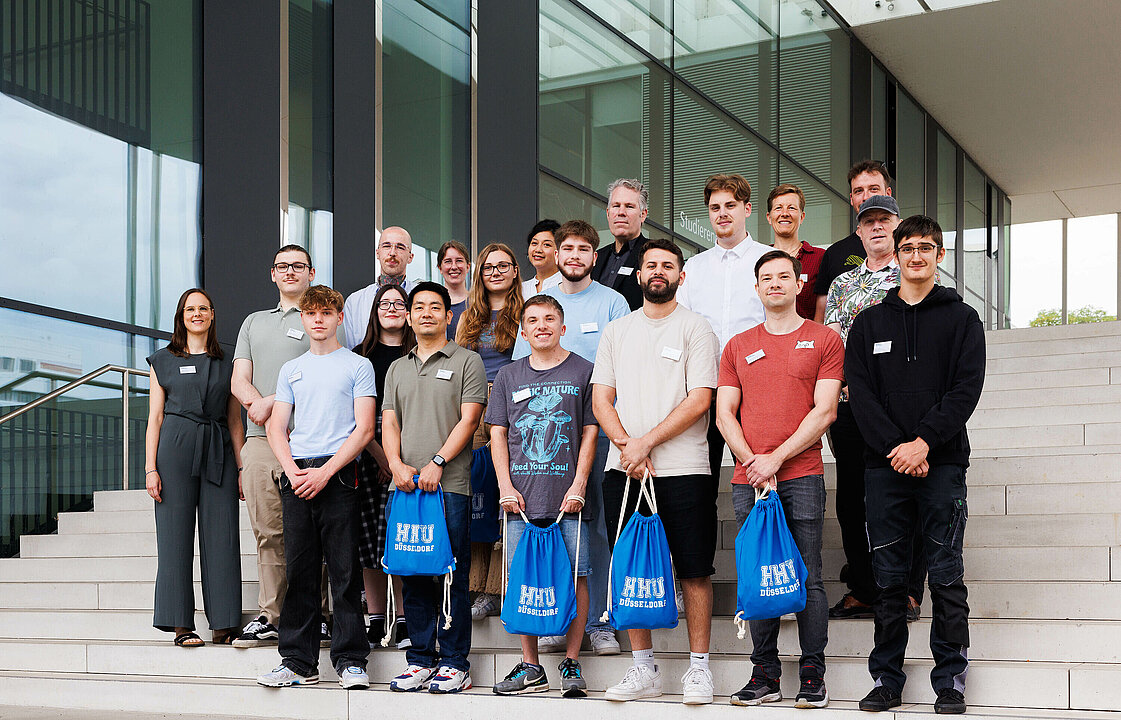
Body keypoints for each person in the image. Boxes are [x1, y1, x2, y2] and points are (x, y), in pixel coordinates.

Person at [847, 216, 984, 715]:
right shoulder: (868, 323)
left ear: (941, 255)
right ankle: (887, 679)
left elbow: (966, 389)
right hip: (884, 468)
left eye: (926, 247)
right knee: (888, 579)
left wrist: (923, 442)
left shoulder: (962, 319)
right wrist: (898, 449)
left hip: (942, 464)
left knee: (946, 574)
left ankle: (950, 680)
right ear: (896, 256)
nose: (916, 256)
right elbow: (859, 395)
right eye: (908, 248)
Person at [592, 238, 720, 706]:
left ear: (681, 277)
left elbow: (700, 398)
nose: (659, 272)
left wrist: (646, 442)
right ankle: (643, 668)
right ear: (639, 275)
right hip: (623, 469)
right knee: (631, 569)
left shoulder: (697, 328)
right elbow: (601, 399)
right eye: (651, 266)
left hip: (684, 468)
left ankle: (699, 670)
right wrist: (628, 446)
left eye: (668, 265)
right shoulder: (617, 330)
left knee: (694, 569)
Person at [715, 251, 843, 708]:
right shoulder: (736, 345)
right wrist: (752, 462)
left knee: (807, 575)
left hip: (802, 474)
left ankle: (812, 674)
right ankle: (764, 673)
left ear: (797, 283)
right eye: (766, 278)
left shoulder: (825, 339)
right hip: (749, 479)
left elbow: (825, 410)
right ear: (757, 287)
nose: (774, 284)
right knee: (756, 574)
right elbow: (724, 413)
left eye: (783, 277)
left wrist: (777, 459)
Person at [512, 219, 629, 656]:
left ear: (594, 258)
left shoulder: (614, 302)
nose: (575, 256)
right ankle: (555, 616)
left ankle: (598, 619)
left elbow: (620, 370)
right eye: (568, 249)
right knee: (547, 524)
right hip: (545, 439)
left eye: (584, 249)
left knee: (594, 524)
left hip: (597, 430)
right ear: (556, 256)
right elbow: (523, 373)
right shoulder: (538, 303)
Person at [257, 285, 375, 690]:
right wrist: (292, 471)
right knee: (300, 571)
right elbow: (275, 427)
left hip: (339, 473)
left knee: (344, 571)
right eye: (311, 313)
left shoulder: (358, 365)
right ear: (303, 319)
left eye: (327, 312)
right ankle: (298, 662)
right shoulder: (291, 369)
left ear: (340, 318)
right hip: (297, 474)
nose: (319, 319)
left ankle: (351, 661)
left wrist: (326, 472)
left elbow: (364, 430)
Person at [488, 295, 597, 697]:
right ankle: (531, 665)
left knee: (576, 575)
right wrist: (504, 485)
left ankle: (571, 661)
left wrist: (579, 484)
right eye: (532, 320)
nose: (541, 325)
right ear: (523, 330)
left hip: (568, 497)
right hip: (519, 498)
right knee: (521, 578)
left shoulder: (584, 371)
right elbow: (498, 433)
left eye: (550, 318)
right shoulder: (508, 376)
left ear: (562, 327)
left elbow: (589, 432)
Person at [824, 195, 926, 623]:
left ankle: (906, 591)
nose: (877, 227)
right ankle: (864, 589)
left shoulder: (912, 277)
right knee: (851, 500)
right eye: (869, 222)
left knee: (905, 497)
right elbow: (831, 344)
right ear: (860, 231)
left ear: (897, 226)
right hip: (850, 407)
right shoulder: (842, 285)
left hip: (899, 410)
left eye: (885, 220)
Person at [383, 282, 487, 693]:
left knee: (450, 573)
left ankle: (455, 662)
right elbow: (389, 422)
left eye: (436, 307)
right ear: (408, 317)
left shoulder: (467, 361)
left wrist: (437, 463)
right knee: (412, 573)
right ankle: (420, 660)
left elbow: (469, 420)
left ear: (450, 315)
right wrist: (395, 465)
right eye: (419, 307)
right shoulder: (396, 367)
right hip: (405, 488)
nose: (427, 313)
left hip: (450, 486)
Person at [231, 245, 334, 648]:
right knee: (268, 533)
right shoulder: (254, 322)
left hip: (308, 440)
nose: (290, 272)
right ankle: (272, 615)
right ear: (272, 274)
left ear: (311, 271)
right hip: (259, 443)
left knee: (313, 534)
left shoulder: (321, 317)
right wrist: (255, 404)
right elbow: (239, 379)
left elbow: (321, 367)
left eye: (298, 266)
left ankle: (320, 615)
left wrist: (268, 402)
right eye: (282, 266)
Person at [144, 288, 243, 647]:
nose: (197, 314)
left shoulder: (230, 359)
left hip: (218, 447)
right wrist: (149, 468)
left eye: (203, 308)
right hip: (174, 447)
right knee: (174, 538)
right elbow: (155, 417)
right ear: (181, 316)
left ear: (213, 314)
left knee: (223, 536)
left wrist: (243, 465)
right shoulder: (162, 360)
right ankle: (180, 625)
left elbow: (235, 420)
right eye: (190, 309)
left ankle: (225, 623)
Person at [678, 173, 770, 485]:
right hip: (705, 388)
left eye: (730, 204)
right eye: (715, 207)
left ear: (747, 209)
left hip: (756, 385)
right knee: (701, 482)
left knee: (758, 476)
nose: (722, 213)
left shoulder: (768, 261)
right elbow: (682, 328)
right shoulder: (694, 267)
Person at [457, 243, 524, 620]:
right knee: (480, 491)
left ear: (515, 271)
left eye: (503, 266)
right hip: (474, 405)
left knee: (507, 490)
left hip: (514, 400)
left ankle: (500, 588)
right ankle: (475, 586)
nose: (495, 272)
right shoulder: (469, 316)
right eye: (488, 267)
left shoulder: (526, 310)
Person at [355, 283, 417, 648]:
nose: (392, 308)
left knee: (400, 540)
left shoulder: (418, 353)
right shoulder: (360, 356)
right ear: (374, 311)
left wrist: (397, 461)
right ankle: (377, 619)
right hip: (366, 455)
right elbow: (359, 418)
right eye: (385, 303)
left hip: (410, 454)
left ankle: (406, 619)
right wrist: (383, 459)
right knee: (370, 544)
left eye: (399, 303)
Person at [813, 161, 894, 324]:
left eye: (874, 189)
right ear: (851, 198)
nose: (866, 197)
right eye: (859, 191)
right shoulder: (834, 253)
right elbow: (821, 320)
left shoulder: (911, 249)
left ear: (888, 193)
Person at [343, 226, 415, 349]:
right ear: (377, 253)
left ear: (410, 257)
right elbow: (349, 351)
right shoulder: (355, 302)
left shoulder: (423, 299)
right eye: (387, 246)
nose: (392, 253)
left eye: (400, 247)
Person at [765, 184, 823, 320]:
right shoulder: (759, 258)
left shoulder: (820, 258)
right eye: (778, 208)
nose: (785, 213)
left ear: (802, 217)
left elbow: (824, 312)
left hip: (808, 339)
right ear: (769, 217)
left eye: (791, 208)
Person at [591, 178, 647, 310]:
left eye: (629, 206)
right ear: (608, 213)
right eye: (616, 206)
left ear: (643, 215)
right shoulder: (596, 258)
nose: (621, 212)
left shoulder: (653, 255)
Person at [437, 240, 471, 338]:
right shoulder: (432, 305)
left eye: (459, 261)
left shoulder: (478, 304)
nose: (454, 267)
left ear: (468, 267)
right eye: (448, 262)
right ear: (440, 268)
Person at [521, 219, 563, 298]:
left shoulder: (568, 287)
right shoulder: (521, 289)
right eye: (534, 243)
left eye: (546, 245)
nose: (538, 250)